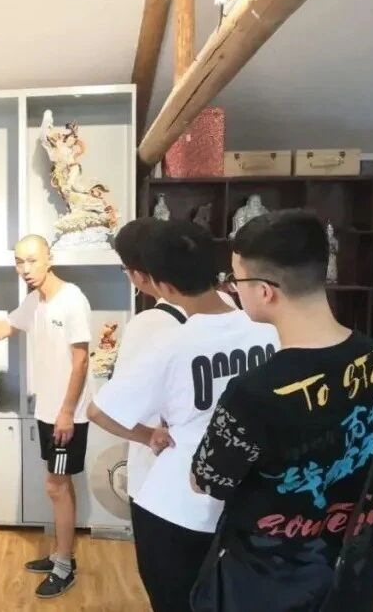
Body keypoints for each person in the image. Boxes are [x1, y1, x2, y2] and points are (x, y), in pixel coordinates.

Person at [190, 210, 373, 612]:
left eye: (236, 279)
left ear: (264, 291)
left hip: (266, 585)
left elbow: (205, 481)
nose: (233, 289)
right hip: (350, 574)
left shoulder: (253, 393)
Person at [86, 220, 278, 612]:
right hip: (250, 497)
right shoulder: (266, 328)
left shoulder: (170, 343)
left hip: (178, 505)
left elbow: (99, 411)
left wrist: (148, 436)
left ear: (155, 282)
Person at [0, 235, 92, 599]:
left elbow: (81, 361)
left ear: (49, 258)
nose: (25, 269)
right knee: (57, 486)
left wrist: (67, 413)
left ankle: (64, 565)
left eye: (32, 260)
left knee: (56, 486)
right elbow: (1, 331)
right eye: (19, 262)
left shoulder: (72, 299)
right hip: (48, 411)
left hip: (67, 414)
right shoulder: (35, 301)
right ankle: (60, 554)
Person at [90, 218, 238, 502]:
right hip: (224, 467)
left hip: (162, 472)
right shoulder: (229, 306)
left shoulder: (148, 325)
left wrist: (147, 436)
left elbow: (105, 410)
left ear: (139, 275)